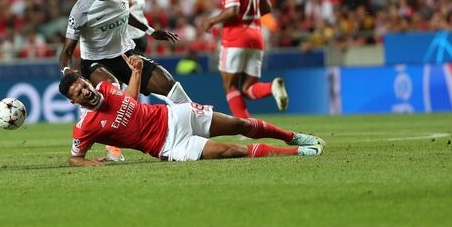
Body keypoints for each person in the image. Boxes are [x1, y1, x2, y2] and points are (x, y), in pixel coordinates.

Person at [59, 55, 324, 166]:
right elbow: (74, 157)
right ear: (74, 102)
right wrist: (88, 165)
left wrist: (137, 72)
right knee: (234, 150)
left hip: (175, 115)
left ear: (85, 82)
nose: (84, 91)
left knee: (239, 124)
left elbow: (129, 100)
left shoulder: (106, 87)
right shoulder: (86, 127)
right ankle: (297, 152)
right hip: (169, 145)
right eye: (78, 93)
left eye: (82, 85)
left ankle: (293, 136)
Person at [59, 0, 193, 162]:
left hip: (125, 53)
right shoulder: (80, 10)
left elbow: (124, 13)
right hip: (96, 61)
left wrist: (150, 31)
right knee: (112, 87)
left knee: (169, 84)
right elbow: (67, 50)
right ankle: (113, 149)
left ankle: (194, 122)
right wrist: (66, 71)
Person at [204, 0, 288, 119]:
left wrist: (212, 20)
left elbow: (232, 10)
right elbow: (267, 7)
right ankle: (272, 87)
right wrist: (249, 14)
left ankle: (245, 127)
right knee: (247, 89)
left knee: (230, 86)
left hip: (235, 37)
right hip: (256, 36)